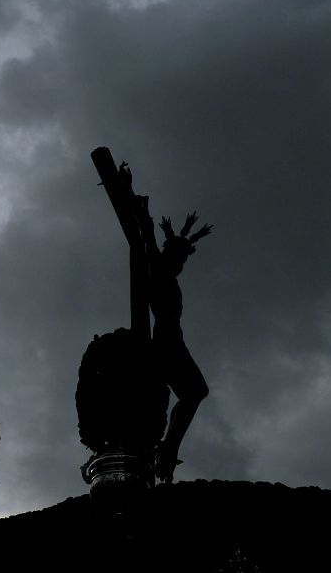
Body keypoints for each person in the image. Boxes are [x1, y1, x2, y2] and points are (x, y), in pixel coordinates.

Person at [133, 194, 212, 482]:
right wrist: (144, 212)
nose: (181, 264)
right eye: (179, 258)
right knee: (196, 392)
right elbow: (148, 238)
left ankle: (166, 449)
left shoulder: (168, 276)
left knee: (194, 393)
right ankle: (166, 450)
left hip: (172, 338)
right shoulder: (158, 269)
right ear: (171, 256)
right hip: (167, 340)